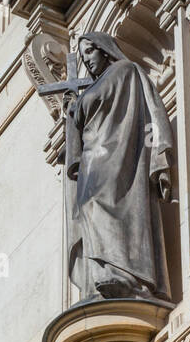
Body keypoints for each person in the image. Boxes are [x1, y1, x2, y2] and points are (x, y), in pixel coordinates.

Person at [65, 32, 172, 301]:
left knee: (101, 204)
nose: (86, 59)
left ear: (104, 49)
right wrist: (72, 109)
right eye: (83, 55)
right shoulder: (94, 86)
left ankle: (127, 275)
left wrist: (78, 106)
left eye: (90, 51)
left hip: (119, 153)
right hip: (93, 159)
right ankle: (102, 276)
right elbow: (83, 120)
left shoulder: (125, 70)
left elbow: (145, 111)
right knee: (88, 208)